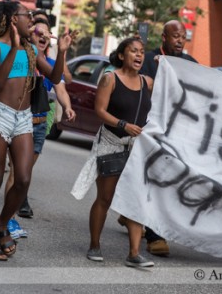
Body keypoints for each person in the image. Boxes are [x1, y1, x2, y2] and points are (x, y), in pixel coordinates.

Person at [0, 0, 71, 261]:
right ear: (10, 19)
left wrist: (61, 51)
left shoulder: (30, 50)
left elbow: (54, 77)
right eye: (26, 15)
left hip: (23, 117)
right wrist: (14, 48)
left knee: (24, 179)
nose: (31, 19)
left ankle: (1, 224)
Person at [73, 37, 154, 268]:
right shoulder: (110, 78)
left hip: (136, 147)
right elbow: (99, 110)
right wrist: (123, 125)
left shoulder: (147, 82)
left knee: (136, 199)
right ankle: (94, 245)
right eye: (133, 51)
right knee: (105, 198)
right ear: (121, 55)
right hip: (111, 141)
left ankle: (134, 253)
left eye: (142, 52)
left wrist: (166, 63)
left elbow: (172, 88)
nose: (139, 56)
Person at [5, 15, 77, 237]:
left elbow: (62, 87)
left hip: (39, 123)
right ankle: (8, 221)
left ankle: (9, 214)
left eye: (48, 34)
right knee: (17, 172)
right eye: (39, 32)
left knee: (25, 172)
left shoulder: (52, 65)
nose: (44, 37)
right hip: (17, 119)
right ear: (30, 33)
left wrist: (67, 107)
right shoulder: (20, 55)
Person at [137, 19, 196, 256]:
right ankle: (154, 236)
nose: (180, 40)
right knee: (151, 181)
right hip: (149, 132)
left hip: (177, 135)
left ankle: (146, 224)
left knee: (164, 184)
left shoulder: (192, 65)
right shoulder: (149, 61)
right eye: (175, 36)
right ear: (164, 38)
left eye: (183, 36)